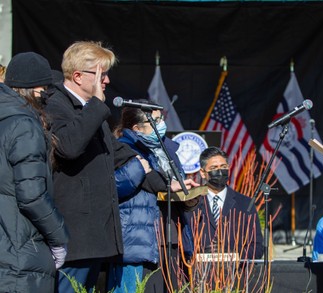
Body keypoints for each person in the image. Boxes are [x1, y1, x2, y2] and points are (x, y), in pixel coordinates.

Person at [43, 41, 149, 293]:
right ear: (78, 76)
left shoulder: (92, 108)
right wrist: (96, 107)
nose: (107, 80)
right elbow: (68, 147)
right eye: (101, 73)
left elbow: (115, 153)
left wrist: (161, 176)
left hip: (95, 237)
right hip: (74, 238)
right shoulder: (56, 104)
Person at [109, 104, 200, 293]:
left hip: (173, 236)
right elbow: (143, 183)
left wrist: (188, 199)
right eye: (154, 121)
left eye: (161, 119)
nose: (161, 124)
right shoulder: (124, 149)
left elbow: (174, 188)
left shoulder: (168, 151)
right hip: (143, 240)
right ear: (136, 128)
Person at [0, 52, 69, 291]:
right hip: (20, 254)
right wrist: (59, 239)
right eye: (46, 89)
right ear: (35, 90)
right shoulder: (24, 125)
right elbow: (31, 194)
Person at [188, 146, 263, 260]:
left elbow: (257, 247)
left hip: (234, 273)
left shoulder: (245, 204)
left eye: (223, 167)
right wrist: (202, 255)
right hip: (198, 272)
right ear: (203, 173)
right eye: (214, 168)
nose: (219, 172)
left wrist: (230, 255)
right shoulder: (191, 202)